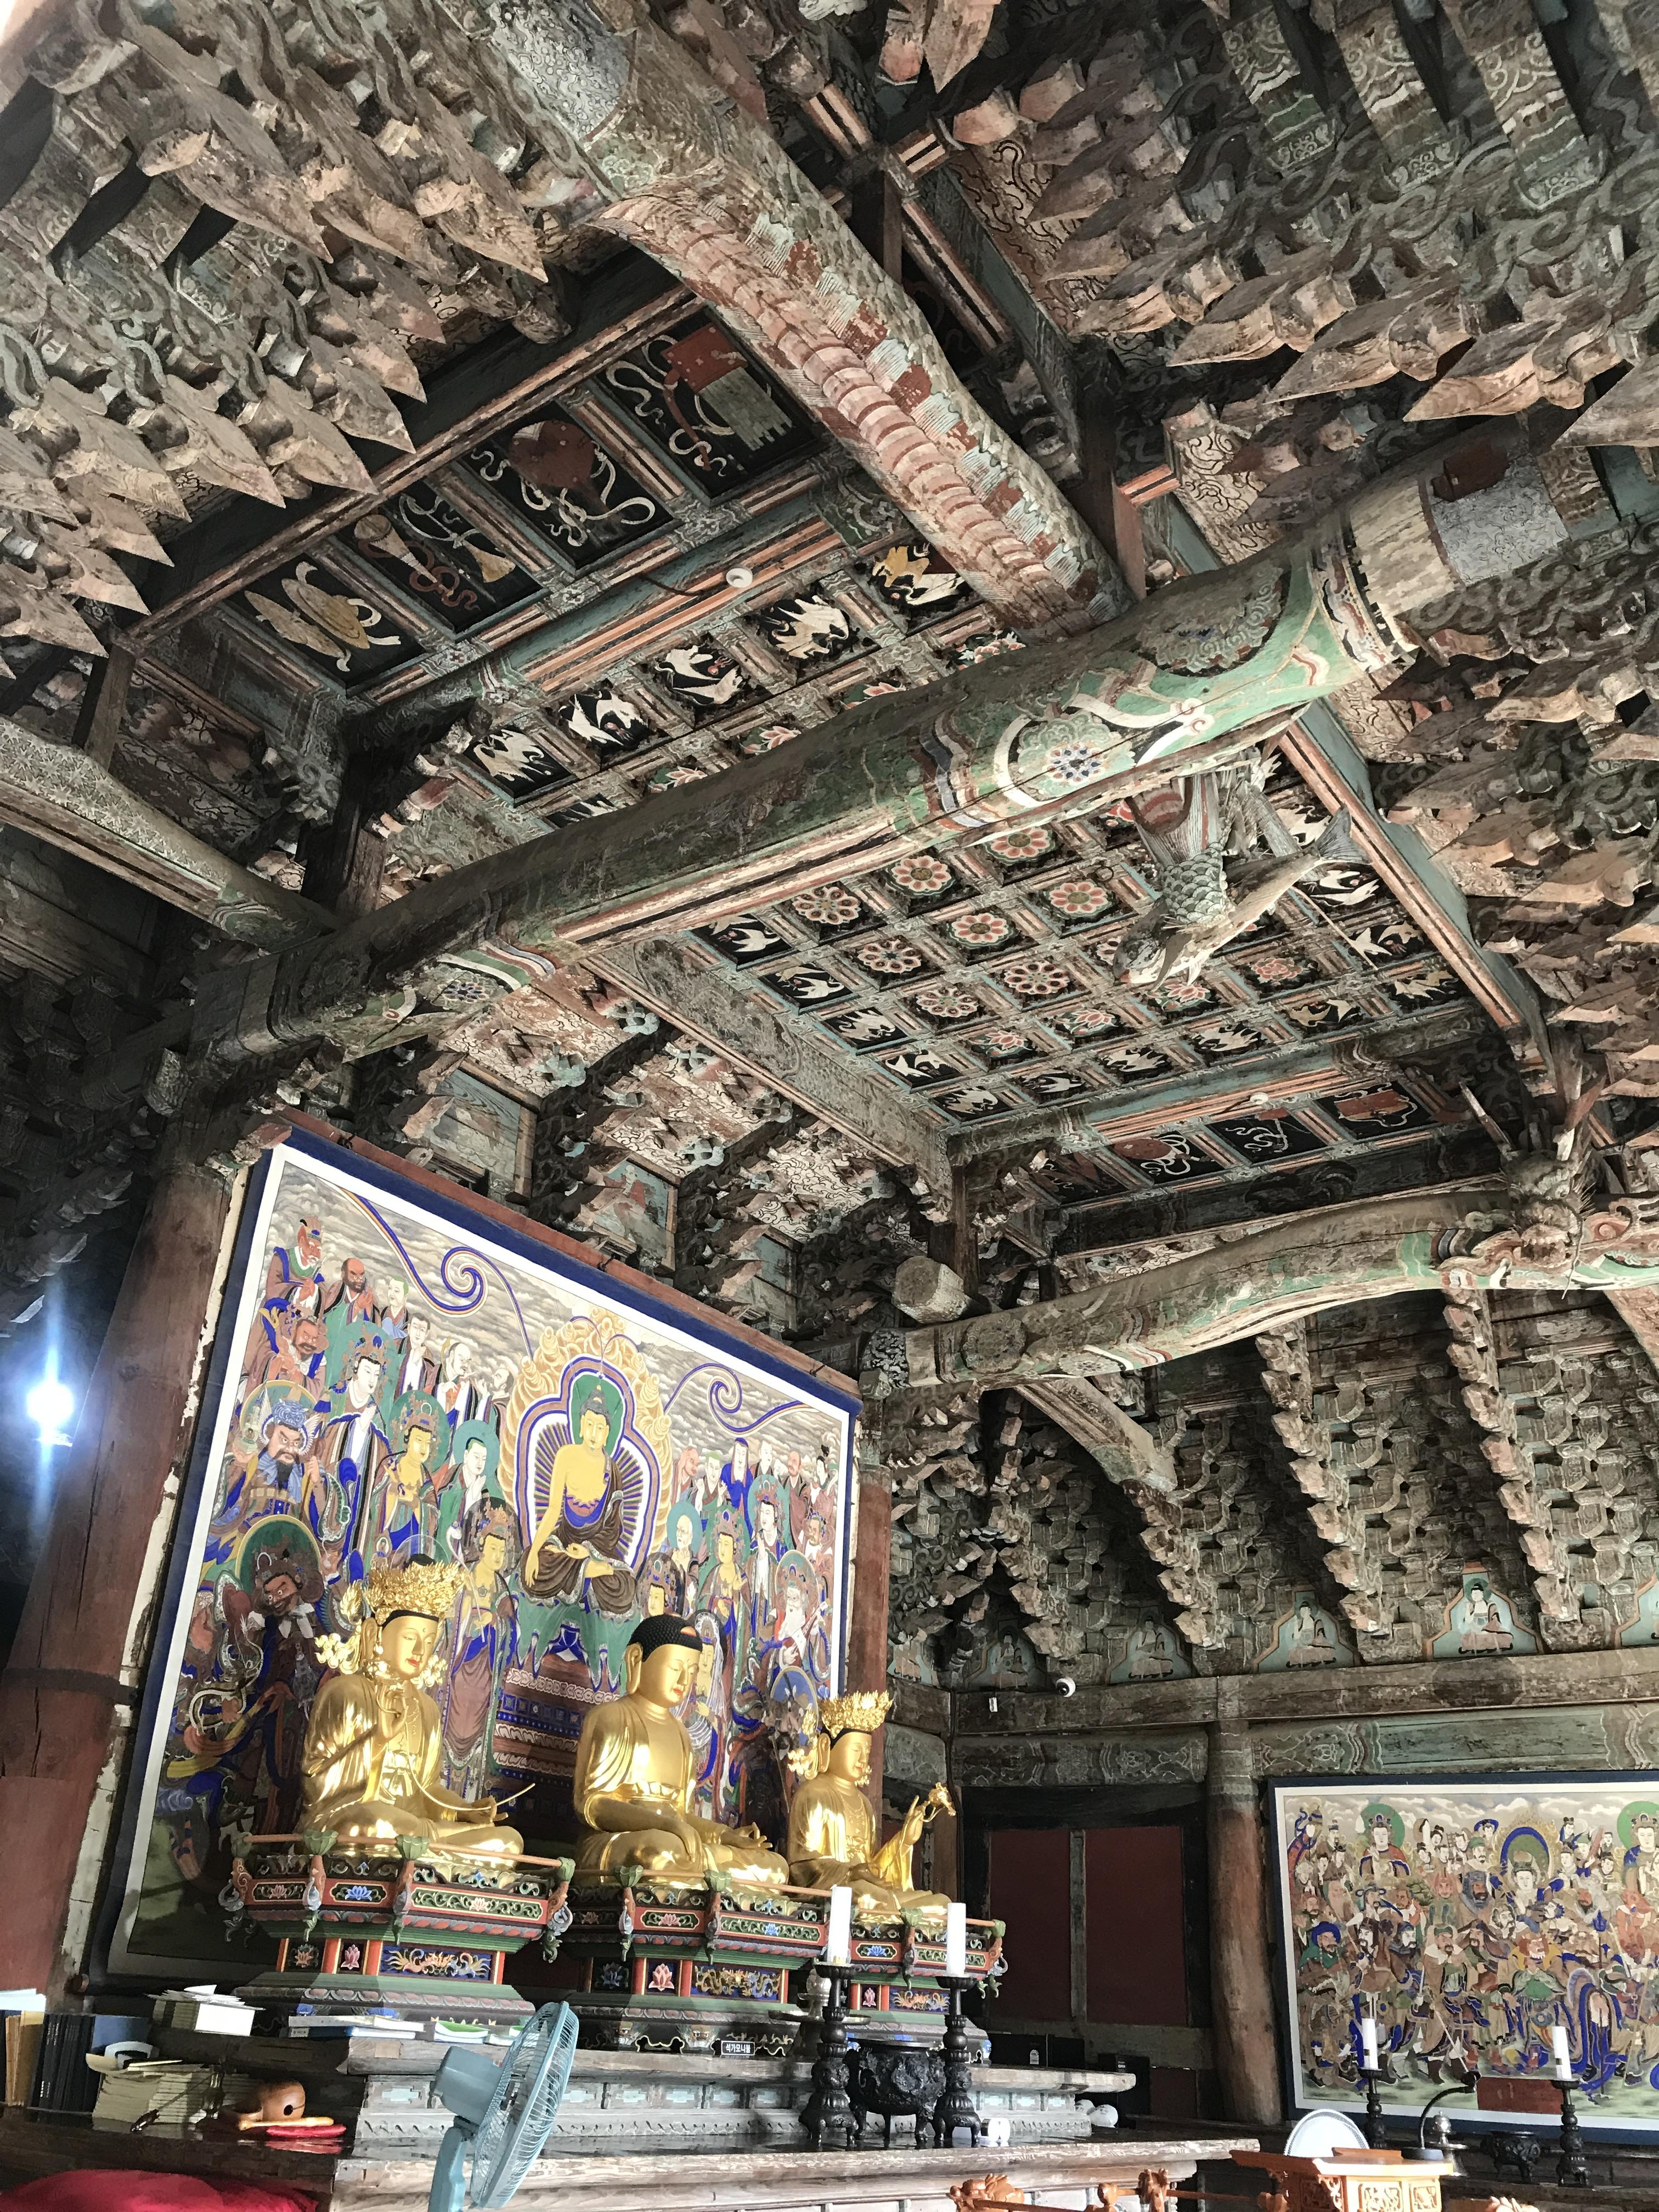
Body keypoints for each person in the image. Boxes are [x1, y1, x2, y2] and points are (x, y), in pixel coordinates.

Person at [570, 1612, 787, 1884]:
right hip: (618, 1842)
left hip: (679, 1845)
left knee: (775, 1868)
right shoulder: (612, 1717)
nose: (685, 1680)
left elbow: (681, 1815)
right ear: (637, 1659)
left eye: (692, 1672)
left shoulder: (682, 1735)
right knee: (661, 1852)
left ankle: (703, 1872)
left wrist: (725, 1836)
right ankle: (699, 1873)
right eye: (675, 1668)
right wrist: (664, 1825)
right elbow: (592, 1804)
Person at [521, 1373, 637, 1615]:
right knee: (534, 1564)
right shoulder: (566, 1455)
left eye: (600, 1428)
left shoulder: (612, 1470)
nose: (594, 1433)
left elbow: (613, 1528)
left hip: (597, 1548)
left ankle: (589, 1566)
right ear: (581, 1426)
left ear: (608, 1433)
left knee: (625, 1588)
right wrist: (534, 1551)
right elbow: (554, 1510)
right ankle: (588, 1569)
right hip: (564, 1538)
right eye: (590, 1425)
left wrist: (588, 1551)